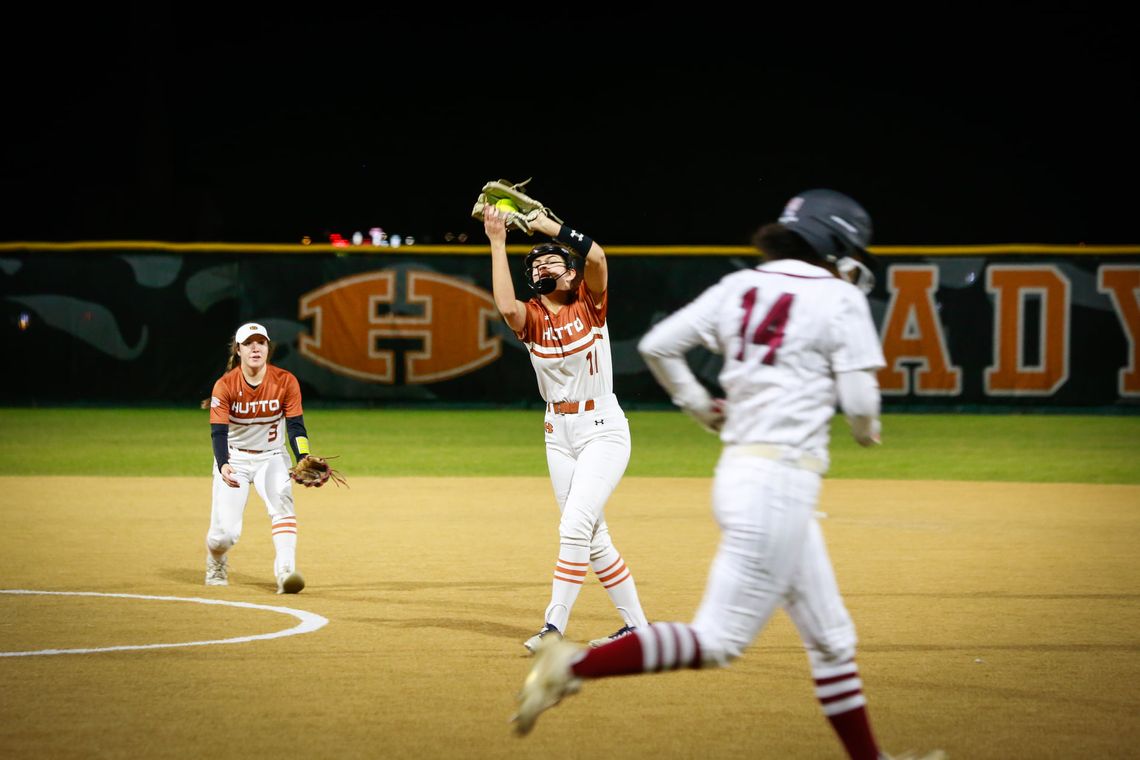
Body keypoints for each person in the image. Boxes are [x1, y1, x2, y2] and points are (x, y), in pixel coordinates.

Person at [511, 190, 946, 760]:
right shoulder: (840, 298)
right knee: (718, 640)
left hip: (741, 471)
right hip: (782, 484)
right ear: (833, 244)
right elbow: (862, 406)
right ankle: (572, 662)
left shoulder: (743, 285)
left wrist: (700, 404)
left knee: (833, 640)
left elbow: (661, 345)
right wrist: (865, 428)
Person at [483, 199, 650, 654]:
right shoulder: (532, 318)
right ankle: (638, 628)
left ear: (571, 273)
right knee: (593, 537)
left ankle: (553, 627)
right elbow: (504, 305)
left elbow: (597, 256)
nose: (543, 263)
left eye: (552, 259)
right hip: (558, 435)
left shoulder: (590, 303)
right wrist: (498, 243)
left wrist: (549, 227)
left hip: (602, 428)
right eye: (537, 261)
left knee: (574, 527)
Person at [204, 321, 315, 595]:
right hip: (234, 461)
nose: (255, 347)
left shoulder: (285, 381)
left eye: (261, 342)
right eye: (249, 343)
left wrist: (303, 455)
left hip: (272, 457)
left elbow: (296, 426)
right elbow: (218, 432)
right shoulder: (225, 386)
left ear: (268, 348)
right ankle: (216, 560)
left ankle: (285, 572)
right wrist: (223, 464)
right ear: (238, 350)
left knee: (283, 507)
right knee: (225, 535)